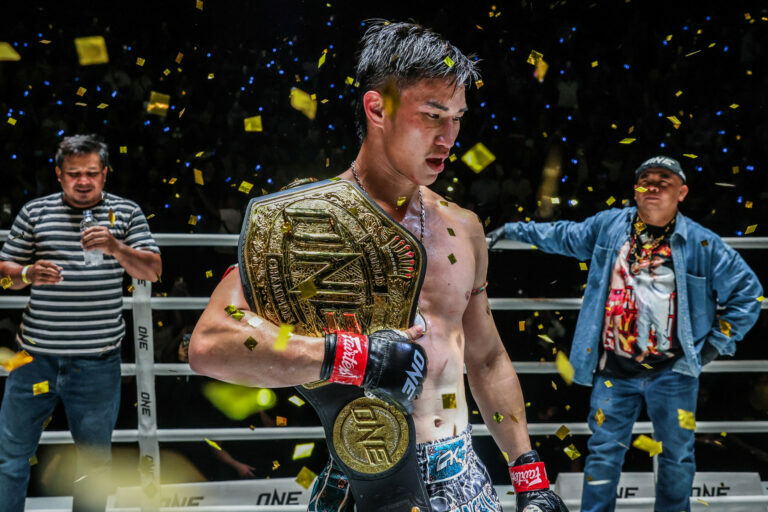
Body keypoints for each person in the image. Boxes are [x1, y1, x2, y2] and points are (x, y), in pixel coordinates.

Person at [190, 20, 566, 512]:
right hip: (363, 476)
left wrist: (530, 477)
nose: (448, 136)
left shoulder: (464, 227)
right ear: (377, 108)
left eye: (457, 118)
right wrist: (350, 356)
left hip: (464, 478)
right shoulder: (303, 223)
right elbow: (210, 344)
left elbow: (487, 358)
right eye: (433, 116)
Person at [489, 155, 763, 512]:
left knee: (677, 458)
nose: (652, 186)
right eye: (645, 180)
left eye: (663, 181)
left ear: (681, 192)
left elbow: (748, 294)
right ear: (634, 190)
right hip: (613, 368)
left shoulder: (701, 243)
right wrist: (512, 230)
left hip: (674, 370)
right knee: (602, 456)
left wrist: (713, 348)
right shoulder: (609, 226)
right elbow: (562, 234)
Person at [0, 134, 162, 512]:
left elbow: (153, 271)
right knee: (10, 459)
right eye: (74, 174)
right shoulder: (35, 212)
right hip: (33, 358)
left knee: (93, 467)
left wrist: (116, 247)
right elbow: (2, 276)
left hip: (97, 362)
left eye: (91, 173)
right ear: (59, 174)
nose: (83, 181)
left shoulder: (126, 213)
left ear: (105, 173)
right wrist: (25, 272)